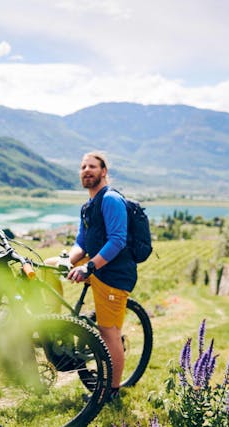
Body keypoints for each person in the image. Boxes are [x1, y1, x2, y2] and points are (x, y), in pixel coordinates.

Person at [47, 151, 137, 402]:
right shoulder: (88, 206)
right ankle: (54, 325)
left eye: (93, 166)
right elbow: (81, 242)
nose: (87, 170)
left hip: (113, 274)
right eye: (83, 166)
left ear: (104, 171)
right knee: (49, 266)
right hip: (97, 267)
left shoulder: (111, 200)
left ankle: (112, 392)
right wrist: (68, 262)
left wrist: (88, 268)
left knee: (108, 333)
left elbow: (117, 240)